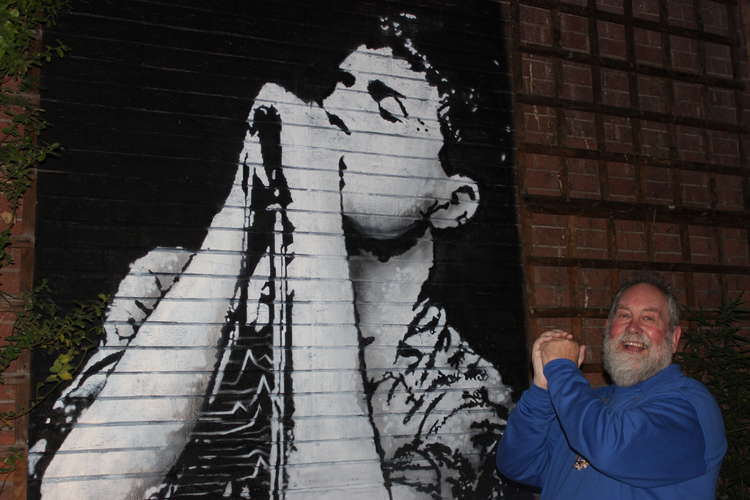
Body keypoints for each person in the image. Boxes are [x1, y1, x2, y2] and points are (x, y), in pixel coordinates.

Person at [31, 12, 521, 500]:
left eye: (386, 108)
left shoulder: (460, 396)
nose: (335, 108)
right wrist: (242, 213)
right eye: (343, 84)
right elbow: (77, 488)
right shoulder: (168, 286)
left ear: (452, 203)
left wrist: (309, 209)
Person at [496, 277, 727, 499]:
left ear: (674, 338)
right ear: (608, 330)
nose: (633, 328)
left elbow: (611, 447)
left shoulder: (690, 404)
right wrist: (542, 390)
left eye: (648, 318)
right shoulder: (590, 405)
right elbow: (518, 464)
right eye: (624, 315)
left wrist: (562, 371)